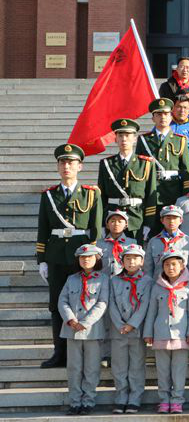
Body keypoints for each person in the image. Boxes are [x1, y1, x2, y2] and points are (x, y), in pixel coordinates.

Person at [37, 143, 103, 369]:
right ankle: (60, 353)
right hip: (56, 256)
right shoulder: (49, 195)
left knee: (84, 303)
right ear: (58, 167)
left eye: (71, 162)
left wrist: (92, 258)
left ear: (80, 166)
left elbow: (95, 230)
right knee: (57, 305)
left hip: (81, 256)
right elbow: (43, 229)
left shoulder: (91, 194)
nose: (67, 166)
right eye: (63, 162)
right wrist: (42, 260)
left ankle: (84, 353)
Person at [143, 250, 189, 415]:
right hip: (161, 334)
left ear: (182, 266)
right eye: (167, 264)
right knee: (163, 371)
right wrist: (148, 332)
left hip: (181, 335)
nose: (170, 268)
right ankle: (164, 400)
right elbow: (152, 311)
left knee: (179, 371)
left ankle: (177, 400)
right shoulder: (157, 287)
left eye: (174, 264)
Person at [59, 243, 108, 416]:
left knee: (91, 368)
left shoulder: (103, 279)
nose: (86, 260)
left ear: (97, 259)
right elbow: (62, 300)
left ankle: (88, 402)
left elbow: (103, 303)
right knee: (74, 368)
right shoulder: (71, 279)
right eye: (82, 257)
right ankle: (75, 402)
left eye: (89, 257)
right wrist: (70, 319)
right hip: (72, 330)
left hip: (92, 331)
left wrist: (86, 322)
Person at [108, 244, 152, 414]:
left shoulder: (147, 281)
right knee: (119, 367)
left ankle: (134, 398)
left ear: (142, 261)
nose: (131, 262)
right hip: (118, 331)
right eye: (127, 258)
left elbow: (144, 305)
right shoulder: (114, 281)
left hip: (137, 331)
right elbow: (111, 303)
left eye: (135, 258)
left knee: (136, 366)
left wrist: (132, 324)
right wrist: (120, 324)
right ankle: (121, 398)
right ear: (122, 261)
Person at [97, 119, 158, 241]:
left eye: (127, 135)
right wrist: (102, 224)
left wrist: (148, 223)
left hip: (136, 219)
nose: (124, 139)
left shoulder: (145, 163)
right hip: (113, 218)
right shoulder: (106, 163)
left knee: (134, 252)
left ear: (135, 139)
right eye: (120, 135)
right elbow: (102, 196)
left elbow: (151, 195)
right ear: (115, 139)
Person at [137, 98, 189, 211]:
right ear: (153, 118)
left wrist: (185, 193)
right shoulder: (143, 140)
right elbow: (139, 168)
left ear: (171, 117)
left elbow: (185, 170)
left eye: (166, 114)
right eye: (159, 114)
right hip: (151, 190)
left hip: (173, 190)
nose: (163, 117)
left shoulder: (180, 140)